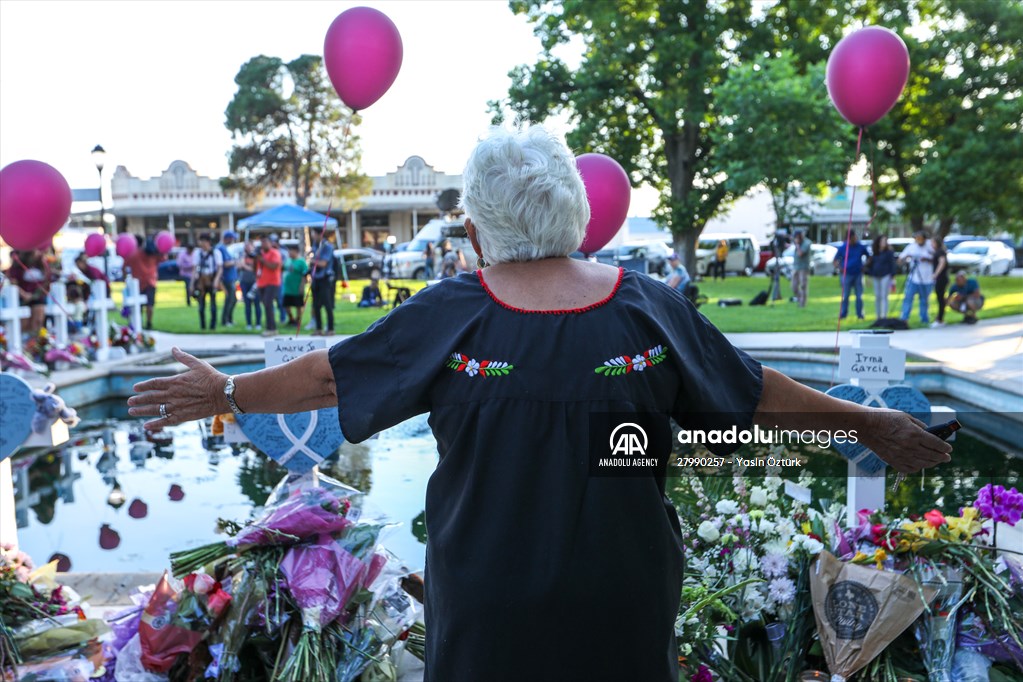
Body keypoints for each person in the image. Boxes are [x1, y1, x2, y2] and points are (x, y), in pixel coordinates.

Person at [128, 126, 951, 682]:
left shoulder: (453, 311)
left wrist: (226, 392)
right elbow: (759, 396)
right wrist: (867, 420)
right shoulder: (647, 307)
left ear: (479, 227)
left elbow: (327, 379)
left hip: (488, 607)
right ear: (575, 209)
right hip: (623, 600)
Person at [5, 249, 50, 335]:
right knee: (24, 323)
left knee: (38, 320)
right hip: (22, 297)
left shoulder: (43, 264)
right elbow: (13, 281)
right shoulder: (18, 264)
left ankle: (35, 342)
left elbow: (46, 281)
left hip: (38, 296)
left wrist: (35, 295)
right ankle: (24, 341)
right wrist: (23, 294)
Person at [123, 234, 161, 330]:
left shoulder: (132, 255)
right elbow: (162, 259)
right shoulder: (151, 253)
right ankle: (149, 323)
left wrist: (125, 279)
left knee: (137, 306)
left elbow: (124, 267)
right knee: (150, 304)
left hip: (137, 284)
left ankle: (138, 323)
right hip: (151, 281)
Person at [899, 231, 936, 324]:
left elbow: (937, 258)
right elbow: (900, 259)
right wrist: (907, 257)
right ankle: (904, 318)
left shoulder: (930, 246)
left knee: (924, 300)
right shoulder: (911, 247)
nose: (919, 240)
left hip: (927, 278)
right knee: (908, 298)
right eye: (917, 238)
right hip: (914, 277)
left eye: (921, 238)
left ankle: (924, 319)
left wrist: (927, 259)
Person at [833, 231, 870, 320]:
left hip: (858, 274)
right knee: (845, 295)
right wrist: (840, 268)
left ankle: (860, 314)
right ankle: (843, 313)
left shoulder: (860, 246)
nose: (854, 240)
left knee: (859, 296)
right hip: (846, 274)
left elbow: (869, 257)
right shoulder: (843, 247)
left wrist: (864, 266)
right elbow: (836, 260)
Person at [190, 233, 223, 331]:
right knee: (201, 305)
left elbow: (220, 268)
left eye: (203, 241)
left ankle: (213, 326)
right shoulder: (197, 253)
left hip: (211, 279)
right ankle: (203, 326)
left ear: (208, 242)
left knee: (213, 304)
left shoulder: (215, 253)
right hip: (201, 282)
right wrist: (192, 283)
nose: (202, 244)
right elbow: (194, 269)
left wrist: (216, 280)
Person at [309, 227, 336, 336]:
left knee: (327, 304)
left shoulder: (327, 246)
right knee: (316, 305)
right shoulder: (315, 246)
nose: (312, 236)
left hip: (325, 279)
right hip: (316, 278)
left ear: (319, 234)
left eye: (313, 234)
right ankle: (319, 328)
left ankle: (330, 328)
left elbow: (323, 263)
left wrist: (311, 260)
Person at [865, 235, 898, 319]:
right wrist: (869, 276)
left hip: (885, 275)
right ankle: (878, 316)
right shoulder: (875, 253)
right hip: (876, 276)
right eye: (882, 241)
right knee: (877, 296)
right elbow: (871, 266)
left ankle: (884, 316)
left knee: (884, 295)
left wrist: (893, 278)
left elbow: (892, 265)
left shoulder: (889, 252)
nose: (884, 243)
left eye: (885, 241)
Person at [255, 235, 282, 337]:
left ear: (271, 243)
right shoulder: (260, 253)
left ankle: (271, 328)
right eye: (262, 242)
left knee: (268, 304)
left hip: (272, 282)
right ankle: (270, 327)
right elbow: (256, 268)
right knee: (266, 305)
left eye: (265, 242)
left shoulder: (274, 253)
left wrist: (262, 260)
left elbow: (274, 266)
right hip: (261, 282)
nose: (263, 244)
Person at [281, 243, 309, 326]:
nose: (289, 253)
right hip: (287, 287)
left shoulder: (301, 262)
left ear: (296, 251)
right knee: (286, 305)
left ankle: (298, 320)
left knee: (298, 305)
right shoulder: (288, 260)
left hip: (297, 287)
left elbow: (305, 275)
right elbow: (283, 269)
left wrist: (302, 286)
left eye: (290, 251)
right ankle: (291, 319)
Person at [239, 240, 261, 330]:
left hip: (255, 282)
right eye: (246, 246)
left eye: (249, 246)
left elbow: (256, 268)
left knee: (257, 303)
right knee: (247, 304)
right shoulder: (243, 256)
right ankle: (248, 323)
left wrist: (246, 266)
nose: (247, 248)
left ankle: (258, 323)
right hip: (244, 282)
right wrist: (246, 266)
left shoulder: (257, 256)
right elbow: (240, 265)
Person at [218, 231, 239, 327]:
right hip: (226, 279)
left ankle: (229, 319)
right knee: (229, 299)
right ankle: (225, 320)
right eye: (232, 238)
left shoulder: (225, 248)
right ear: (227, 238)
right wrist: (235, 262)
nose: (233, 240)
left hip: (231, 278)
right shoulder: (220, 248)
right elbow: (224, 264)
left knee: (233, 299)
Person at [930, 236, 949, 328]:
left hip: (941, 278)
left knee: (941, 299)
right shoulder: (937, 252)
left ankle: (940, 319)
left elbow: (942, 263)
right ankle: (939, 318)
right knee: (940, 298)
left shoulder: (940, 252)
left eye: (933, 243)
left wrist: (935, 274)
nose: (931, 245)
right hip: (940, 278)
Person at [791, 230, 812, 308]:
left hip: (804, 268)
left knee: (803, 286)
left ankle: (802, 304)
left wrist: (797, 244)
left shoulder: (807, 243)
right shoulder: (797, 243)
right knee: (794, 286)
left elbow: (800, 253)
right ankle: (800, 299)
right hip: (796, 267)